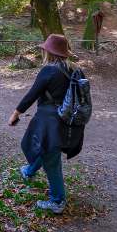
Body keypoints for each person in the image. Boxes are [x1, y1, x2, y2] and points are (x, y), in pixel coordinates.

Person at [8, 34, 85, 214]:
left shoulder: (49, 70)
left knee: (51, 158)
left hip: (50, 121)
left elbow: (32, 94)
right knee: (47, 149)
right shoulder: (76, 70)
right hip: (70, 120)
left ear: (48, 51)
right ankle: (29, 171)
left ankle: (57, 201)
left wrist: (15, 114)